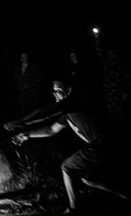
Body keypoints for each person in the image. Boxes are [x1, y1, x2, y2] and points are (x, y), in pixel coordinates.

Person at [10, 78, 129, 214]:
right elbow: (51, 130)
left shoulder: (74, 103)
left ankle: (73, 209)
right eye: (53, 91)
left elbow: (44, 114)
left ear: (69, 91)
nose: (55, 94)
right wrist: (27, 134)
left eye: (58, 90)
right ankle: (124, 193)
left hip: (101, 145)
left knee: (67, 167)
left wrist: (20, 122)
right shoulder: (66, 114)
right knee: (88, 179)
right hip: (100, 147)